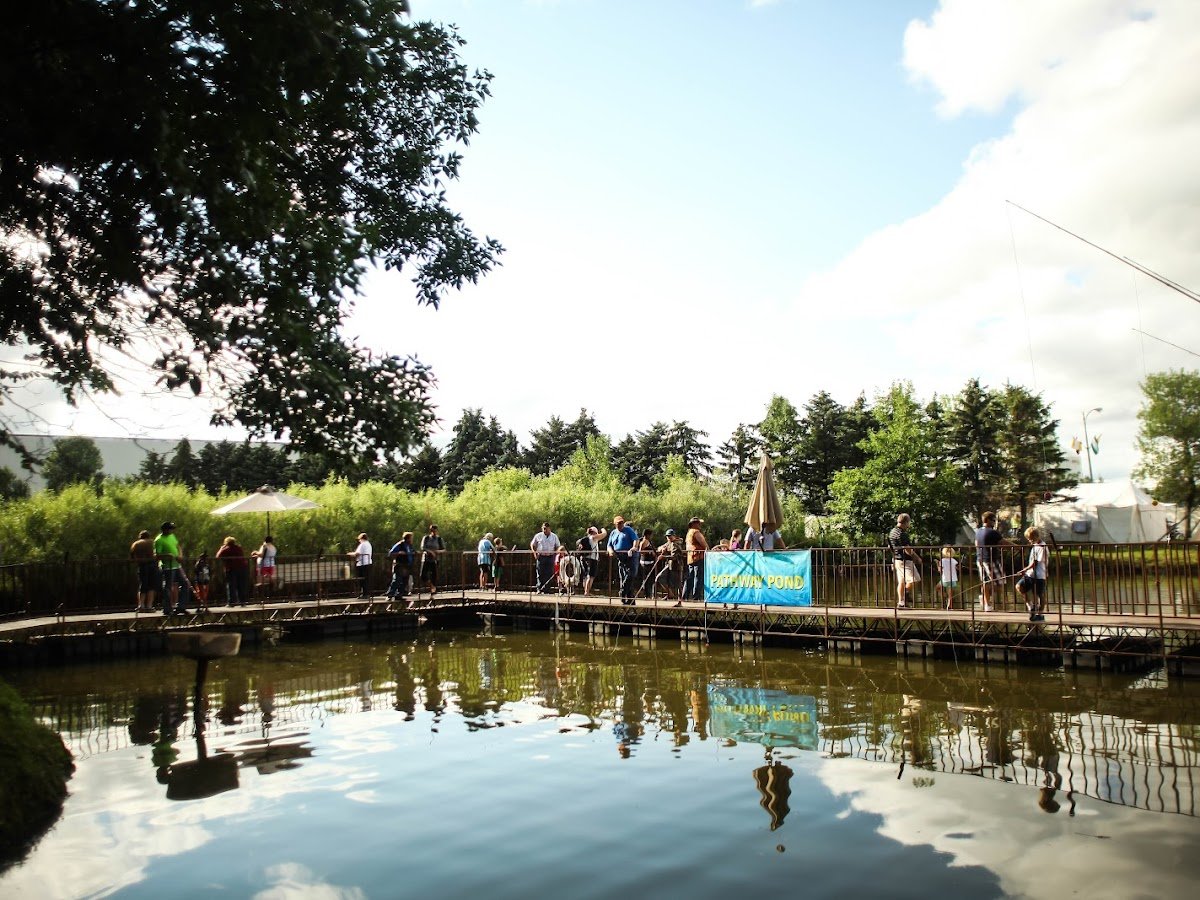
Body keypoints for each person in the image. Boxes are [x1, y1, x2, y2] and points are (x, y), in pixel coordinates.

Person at [154, 521, 188, 615]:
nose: (171, 530)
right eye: (170, 528)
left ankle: (181, 606)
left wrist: (180, 555)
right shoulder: (159, 540)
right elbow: (157, 556)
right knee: (168, 587)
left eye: (172, 529)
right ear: (164, 529)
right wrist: (168, 555)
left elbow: (178, 546)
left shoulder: (172, 536)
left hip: (176, 565)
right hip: (167, 567)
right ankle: (167, 609)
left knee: (185, 584)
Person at [887, 513, 921, 609]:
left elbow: (890, 546)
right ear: (906, 522)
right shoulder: (902, 534)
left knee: (901, 581)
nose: (908, 525)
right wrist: (917, 557)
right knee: (915, 579)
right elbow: (908, 549)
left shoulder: (892, 532)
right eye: (908, 523)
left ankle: (901, 603)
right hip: (905, 560)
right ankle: (906, 595)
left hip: (897, 559)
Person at [1017, 526, 1050, 622]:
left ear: (1036, 536)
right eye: (1028, 539)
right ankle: (1031, 606)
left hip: (1039, 575)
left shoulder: (1042, 547)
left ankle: (1040, 614)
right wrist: (1026, 571)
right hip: (1030, 574)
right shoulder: (1035, 545)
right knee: (1019, 586)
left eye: (1031, 539)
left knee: (1040, 594)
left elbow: (1035, 562)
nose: (1029, 541)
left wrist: (1024, 569)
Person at [975, 511, 1005, 612]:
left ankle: (986, 603)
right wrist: (1018, 547)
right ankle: (986, 600)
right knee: (1000, 583)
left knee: (986, 582)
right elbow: (1003, 542)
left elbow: (976, 544)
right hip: (991, 560)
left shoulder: (978, 531)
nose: (994, 522)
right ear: (987, 520)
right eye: (993, 520)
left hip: (980, 560)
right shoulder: (993, 532)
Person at [606, 515, 639, 604]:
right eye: (618, 523)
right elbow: (609, 545)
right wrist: (610, 551)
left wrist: (634, 547)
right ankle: (630, 600)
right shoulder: (613, 533)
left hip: (630, 556)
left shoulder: (628, 530)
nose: (620, 525)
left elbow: (635, 539)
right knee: (623, 576)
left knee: (630, 575)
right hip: (620, 557)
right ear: (615, 524)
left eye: (621, 523)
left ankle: (622, 592)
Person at [216, 535, 249, 606]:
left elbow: (218, 556)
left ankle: (231, 602)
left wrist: (221, 548)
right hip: (242, 568)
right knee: (241, 585)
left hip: (231, 569)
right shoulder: (239, 548)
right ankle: (242, 602)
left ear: (226, 543)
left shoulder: (226, 549)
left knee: (231, 586)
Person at [129, 529, 157, 611]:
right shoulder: (153, 543)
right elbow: (157, 553)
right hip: (152, 564)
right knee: (151, 586)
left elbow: (132, 556)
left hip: (142, 565)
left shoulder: (136, 544)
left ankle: (141, 605)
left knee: (143, 585)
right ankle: (149, 606)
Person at [655, 529, 685, 604]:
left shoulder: (676, 544)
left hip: (677, 565)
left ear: (674, 536)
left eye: (670, 536)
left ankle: (679, 601)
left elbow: (674, 557)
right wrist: (662, 549)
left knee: (678, 584)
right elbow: (660, 547)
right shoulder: (669, 543)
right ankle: (669, 594)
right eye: (667, 536)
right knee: (659, 577)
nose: (669, 538)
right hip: (669, 564)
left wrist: (663, 557)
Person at [530, 522, 561, 594]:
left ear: (549, 528)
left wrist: (555, 554)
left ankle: (547, 589)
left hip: (550, 556)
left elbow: (558, 546)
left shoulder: (554, 536)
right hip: (541, 556)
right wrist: (534, 553)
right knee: (540, 573)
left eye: (546, 529)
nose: (545, 530)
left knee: (549, 573)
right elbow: (532, 544)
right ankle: (539, 589)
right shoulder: (538, 536)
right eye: (543, 529)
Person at [576, 526, 607, 596]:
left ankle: (586, 591)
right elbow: (604, 534)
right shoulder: (593, 537)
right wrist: (603, 529)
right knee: (591, 576)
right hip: (592, 559)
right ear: (595, 532)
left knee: (586, 575)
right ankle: (586, 592)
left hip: (584, 558)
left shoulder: (587, 538)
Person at [683, 517, 708, 602]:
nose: (699, 524)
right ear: (694, 524)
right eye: (698, 523)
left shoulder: (688, 533)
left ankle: (685, 596)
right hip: (698, 557)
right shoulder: (696, 532)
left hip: (691, 558)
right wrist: (709, 550)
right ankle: (696, 597)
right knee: (698, 578)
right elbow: (703, 543)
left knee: (690, 578)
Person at [386, 532, 415, 600]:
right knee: (397, 580)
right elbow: (391, 553)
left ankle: (399, 594)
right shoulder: (400, 544)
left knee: (404, 581)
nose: (412, 539)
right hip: (400, 564)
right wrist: (399, 553)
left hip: (407, 565)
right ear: (407, 538)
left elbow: (413, 551)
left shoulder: (409, 545)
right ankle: (390, 594)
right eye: (411, 538)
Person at [420, 524, 445, 595]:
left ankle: (433, 590)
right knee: (423, 575)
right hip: (426, 559)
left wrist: (437, 552)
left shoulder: (439, 539)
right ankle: (431, 586)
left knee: (434, 575)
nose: (434, 532)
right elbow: (423, 547)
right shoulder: (426, 538)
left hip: (435, 559)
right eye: (432, 530)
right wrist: (430, 551)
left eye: (435, 530)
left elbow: (443, 549)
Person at [347, 532, 372, 598]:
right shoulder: (369, 544)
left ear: (361, 538)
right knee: (366, 579)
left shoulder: (362, 544)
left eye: (359, 539)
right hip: (368, 563)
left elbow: (357, 553)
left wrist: (349, 554)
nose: (359, 541)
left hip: (362, 564)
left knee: (362, 579)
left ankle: (364, 594)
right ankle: (366, 594)